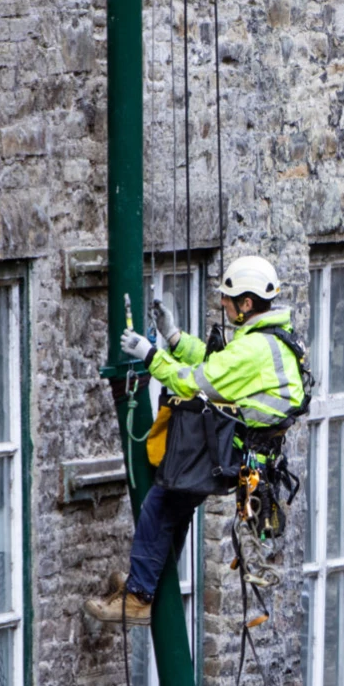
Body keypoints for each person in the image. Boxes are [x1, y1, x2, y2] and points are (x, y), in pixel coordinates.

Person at [84, 255, 308, 625]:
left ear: (247, 304)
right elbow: (219, 363)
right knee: (175, 505)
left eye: (228, 298)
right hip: (244, 450)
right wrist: (174, 339)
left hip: (230, 449)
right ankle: (148, 581)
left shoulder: (254, 349)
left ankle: (139, 595)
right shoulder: (269, 340)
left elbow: (193, 381)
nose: (222, 303)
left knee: (161, 502)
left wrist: (150, 355)